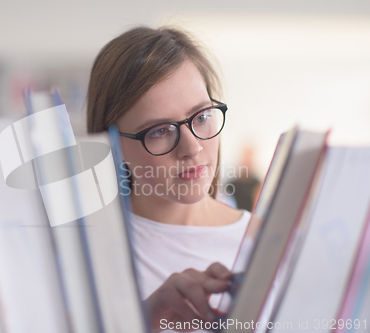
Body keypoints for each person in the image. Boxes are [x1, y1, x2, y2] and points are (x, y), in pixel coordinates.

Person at [86, 26, 252, 333]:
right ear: (111, 143)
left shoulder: (266, 243)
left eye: (201, 116)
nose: (192, 148)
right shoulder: (85, 251)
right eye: (159, 130)